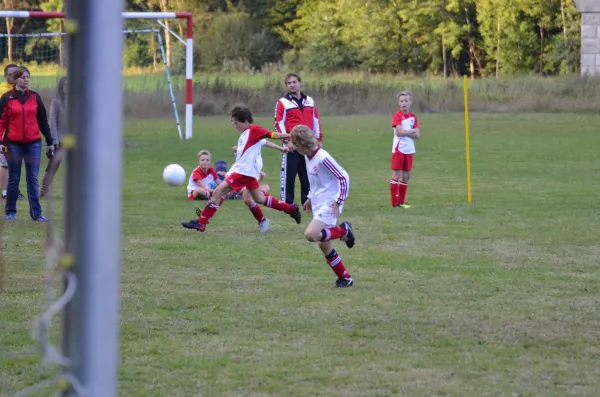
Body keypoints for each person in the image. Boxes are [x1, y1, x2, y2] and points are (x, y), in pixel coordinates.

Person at [181, 104, 301, 232]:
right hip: (247, 172)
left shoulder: (254, 130)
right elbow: (260, 143)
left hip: (242, 172)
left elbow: (271, 134)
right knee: (259, 199)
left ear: (244, 121)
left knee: (218, 192)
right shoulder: (246, 134)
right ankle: (290, 209)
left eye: (236, 123)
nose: (235, 126)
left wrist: (288, 135)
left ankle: (201, 222)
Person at [290, 125, 355, 288]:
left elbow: (343, 177)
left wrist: (339, 200)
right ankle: (345, 278)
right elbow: (315, 183)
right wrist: (310, 198)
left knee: (311, 234)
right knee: (323, 244)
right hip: (319, 203)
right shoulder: (308, 157)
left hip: (330, 204)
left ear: (301, 144)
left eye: (294, 144)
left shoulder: (322, 157)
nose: (292, 147)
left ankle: (344, 230)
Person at [0, 66, 55, 221]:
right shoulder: (6, 98)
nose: (26, 80)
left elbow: (43, 121)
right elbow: (1, 122)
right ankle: (11, 211)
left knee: (32, 179)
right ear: (16, 79)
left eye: (28, 77)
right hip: (13, 144)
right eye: (23, 77)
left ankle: (36, 214)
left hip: (33, 143)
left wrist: (50, 141)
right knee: (14, 177)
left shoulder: (35, 97)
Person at [275, 72, 322, 206]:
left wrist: (318, 139)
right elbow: (278, 122)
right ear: (286, 86)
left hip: (308, 145)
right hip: (292, 145)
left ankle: (307, 202)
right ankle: (287, 203)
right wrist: (286, 140)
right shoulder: (282, 102)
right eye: (289, 83)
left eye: (294, 82)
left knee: (307, 175)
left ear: (299, 83)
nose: (292, 85)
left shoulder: (310, 101)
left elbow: (315, 120)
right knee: (289, 176)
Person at [390, 90, 420, 209]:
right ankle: (394, 202)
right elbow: (399, 132)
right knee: (397, 174)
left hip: (409, 149)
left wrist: (407, 132)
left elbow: (417, 135)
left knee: (406, 176)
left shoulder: (413, 117)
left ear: (410, 102)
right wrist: (411, 131)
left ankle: (401, 202)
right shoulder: (397, 116)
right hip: (399, 149)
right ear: (399, 103)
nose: (404, 103)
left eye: (406, 101)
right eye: (402, 101)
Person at [40, 75, 67, 198]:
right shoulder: (56, 101)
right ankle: (44, 190)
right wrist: (54, 140)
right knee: (53, 165)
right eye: (65, 85)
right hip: (59, 140)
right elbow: (53, 121)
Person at [0, 63, 21, 200]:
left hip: (18, 133)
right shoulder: (2, 90)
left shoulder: (21, 90)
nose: (12, 76)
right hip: (4, 132)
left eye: (15, 74)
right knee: (4, 162)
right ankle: (5, 192)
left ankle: (14, 190)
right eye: (10, 74)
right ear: (5, 76)